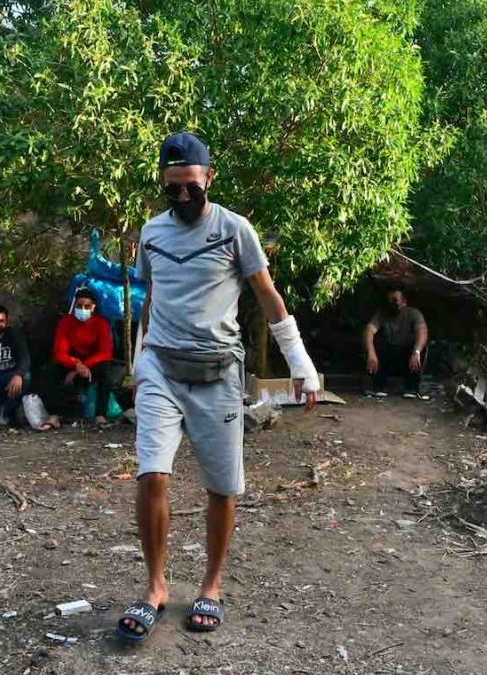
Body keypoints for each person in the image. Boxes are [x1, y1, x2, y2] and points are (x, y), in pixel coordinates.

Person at [115, 132, 320, 642]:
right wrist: (140, 364)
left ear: (209, 178)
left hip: (218, 374)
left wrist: (300, 361)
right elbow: (152, 298)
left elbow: (267, 296)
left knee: (222, 487)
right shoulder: (153, 233)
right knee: (151, 475)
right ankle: (156, 588)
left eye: (191, 187)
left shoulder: (235, 230)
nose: (183, 198)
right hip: (161, 366)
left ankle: (211, 585)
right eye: (172, 189)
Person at [51, 288, 124, 426]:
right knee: (53, 371)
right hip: (72, 363)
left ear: (93, 307)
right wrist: (76, 365)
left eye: (87, 306)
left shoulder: (101, 323)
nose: (83, 309)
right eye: (79, 306)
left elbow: (105, 352)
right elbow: (59, 352)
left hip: (92, 364)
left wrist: (85, 365)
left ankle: (100, 415)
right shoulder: (65, 323)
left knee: (105, 372)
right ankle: (55, 415)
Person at [364, 287, 430, 399]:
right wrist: (371, 353)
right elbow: (369, 330)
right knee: (377, 346)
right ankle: (379, 386)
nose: (392, 304)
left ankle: (411, 387)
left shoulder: (414, 314)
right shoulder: (382, 314)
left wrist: (416, 352)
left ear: (404, 302)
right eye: (389, 300)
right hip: (389, 355)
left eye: (395, 300)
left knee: (420, 350)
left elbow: (422, 333)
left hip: (407, 356)